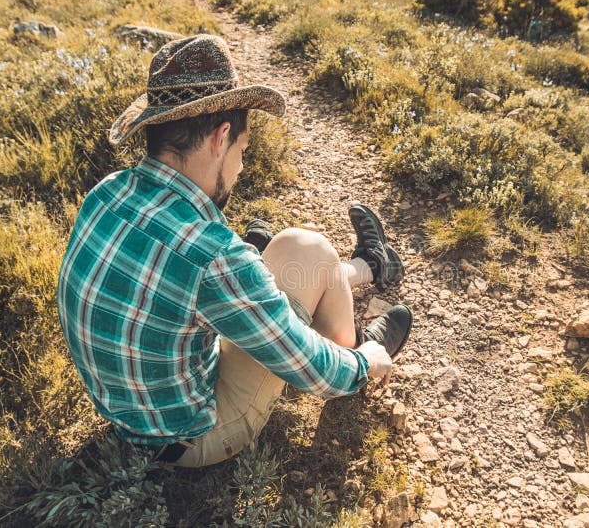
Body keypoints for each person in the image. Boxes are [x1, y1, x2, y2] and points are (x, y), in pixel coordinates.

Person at [56, 34, 413, 467]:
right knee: (307, 248)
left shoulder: (105, 193)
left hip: (131, 412)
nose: (242, 166)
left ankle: (370, 266)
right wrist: (363, 365)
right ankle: (359, 340)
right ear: (221, 137)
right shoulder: (211, 254)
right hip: (190, 439)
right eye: (243, 150)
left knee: (285, 255)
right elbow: (310, 368)